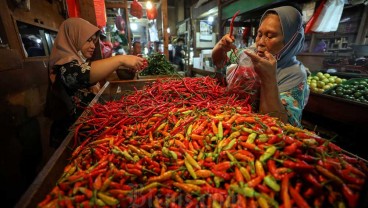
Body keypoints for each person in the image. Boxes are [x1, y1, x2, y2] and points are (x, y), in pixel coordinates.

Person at [46, 18, 144, 148]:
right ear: (73, 38)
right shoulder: (64, 68)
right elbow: (82, 75)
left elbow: (92, 73)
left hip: (86, 130)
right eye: (88, 40)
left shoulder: (78, 62)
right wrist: (120, 60)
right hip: (70, 139)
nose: (93, 45)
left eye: (94, 41)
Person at [212, 6, 309, 127]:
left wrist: (268, 78)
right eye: (259, 34)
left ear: (292, 40)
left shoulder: (294, 74)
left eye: (270, 36)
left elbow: (278, 126)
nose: (261, 42)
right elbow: (219, 61)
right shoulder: (250, 55)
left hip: (258, 136)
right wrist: (221, 46)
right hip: (232, 122)